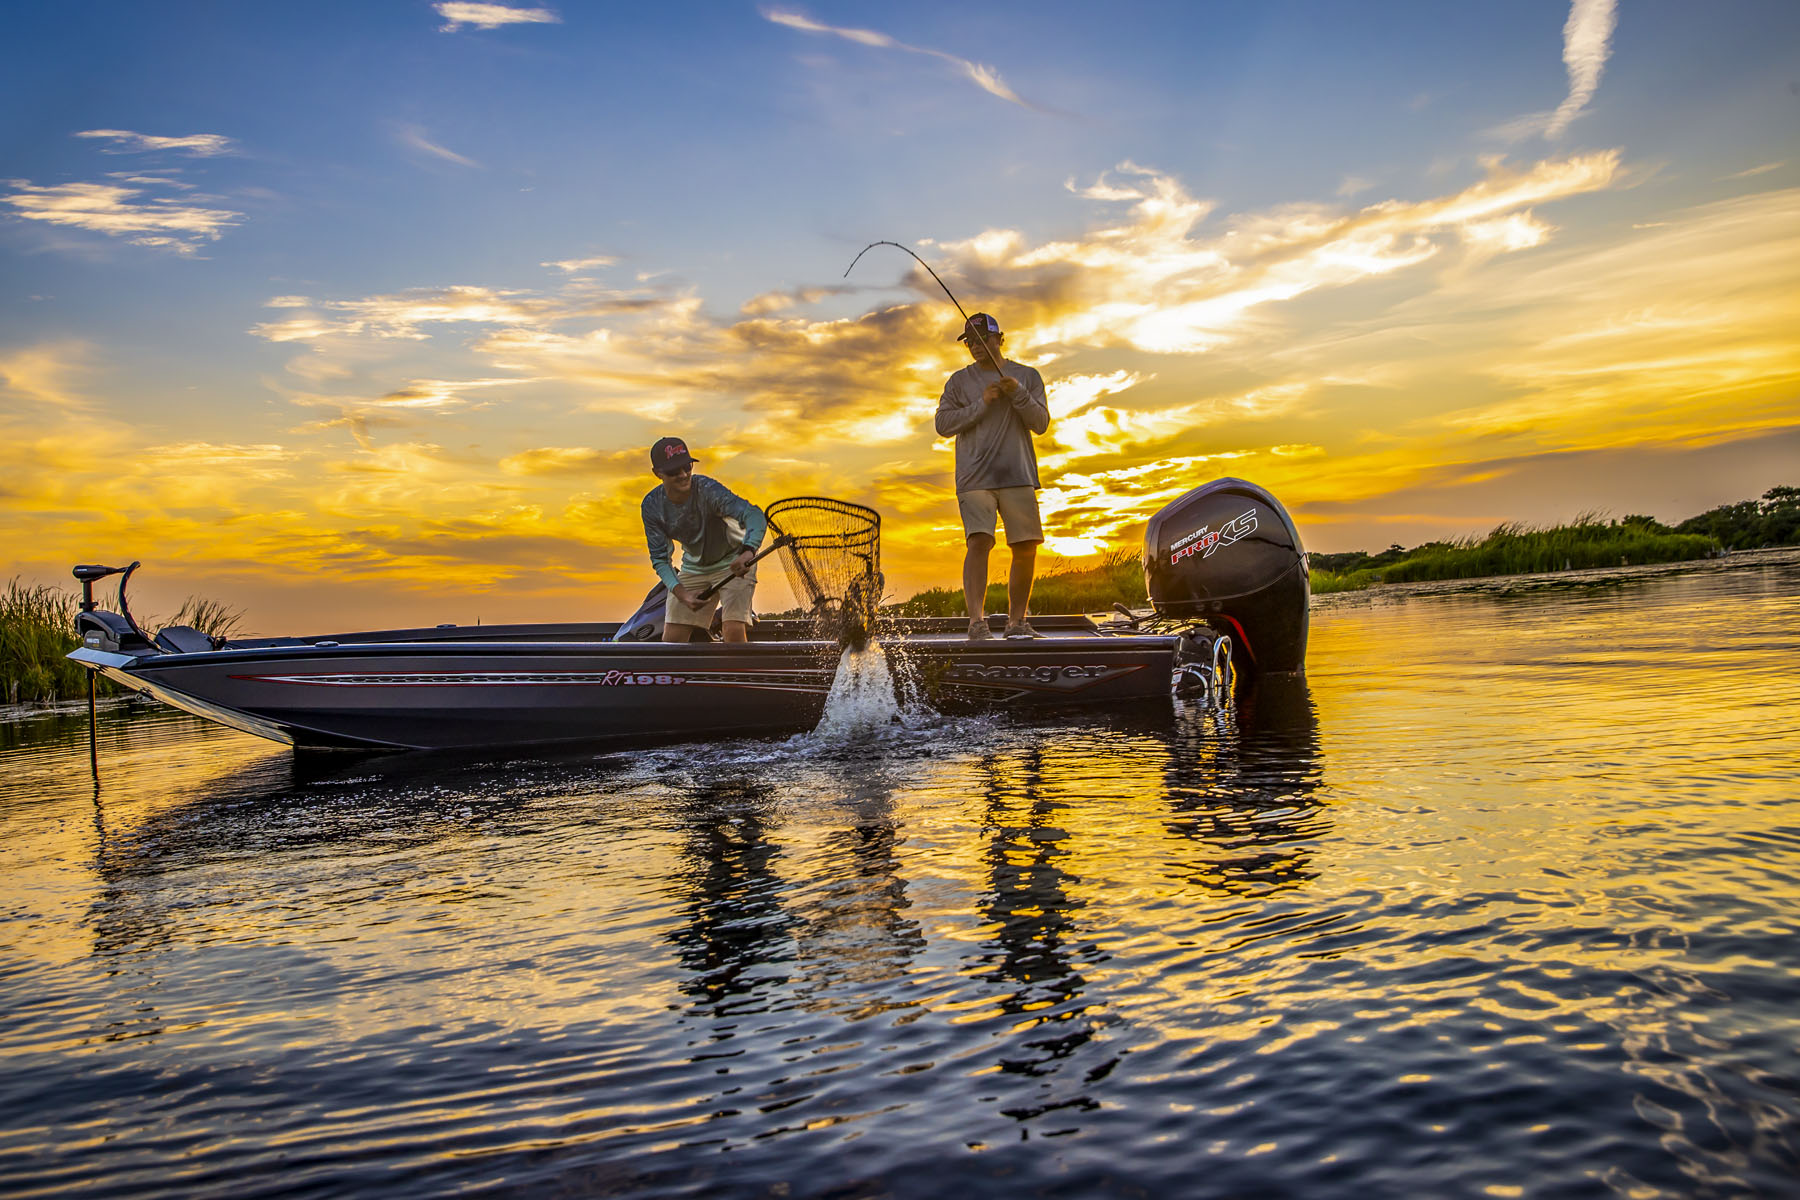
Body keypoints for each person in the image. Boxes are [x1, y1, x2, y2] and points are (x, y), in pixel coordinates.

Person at [933, 312, 1051, 640]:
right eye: (969, 341)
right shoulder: (959, 381)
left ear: (999, 338)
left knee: (1026, 545)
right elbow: (942, 425)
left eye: (982, 339)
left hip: (1018, 473)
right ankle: (976, 623)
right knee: (980, 540)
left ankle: (1017, 624)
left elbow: (1040, 423)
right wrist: (981, 403)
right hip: (974, 478)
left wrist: (1018, 394)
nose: (975, 346)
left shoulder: (1027, 376)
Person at [641, 436, 767, 643]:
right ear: (658, 474)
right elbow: (660, 559)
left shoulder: (708, 490)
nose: (683, 475)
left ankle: (738, 674)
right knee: (671, 641)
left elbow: (753, 515)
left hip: (734, 561)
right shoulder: (651, 506)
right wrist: (683, 594)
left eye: (687, 467)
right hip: (694, 568)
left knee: (733, 630)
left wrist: (748, 551)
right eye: (674, 471)